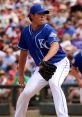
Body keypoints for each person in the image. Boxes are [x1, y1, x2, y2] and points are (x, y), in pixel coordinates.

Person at [14, 3, 70, 117]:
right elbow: (23, 54)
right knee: (26, 93)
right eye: (40, 14)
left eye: (44, 14)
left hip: (59, 63)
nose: (43, 16)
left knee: (54, 83)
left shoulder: (48, 29)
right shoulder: (25, 32)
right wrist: (21, 75)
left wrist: (45, 59)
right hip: (43, 67)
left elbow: (55, 46)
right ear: (32, 16)